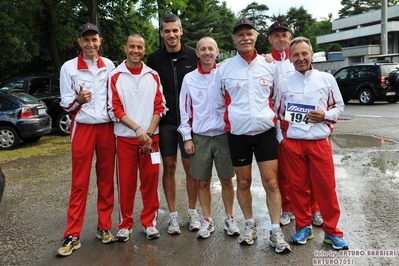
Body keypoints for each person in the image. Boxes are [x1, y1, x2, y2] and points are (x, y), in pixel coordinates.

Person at [214, 18, 291, 254]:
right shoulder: (224, 68)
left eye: (249, 34)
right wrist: (232, 121)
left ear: (256, 37)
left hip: (265, 133)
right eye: (240, 35)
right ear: (234, 40)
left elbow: (278, 98)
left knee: (271, 183)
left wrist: (277, 128)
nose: (245, 38)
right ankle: (249, 225)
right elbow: (219, 102)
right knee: (244, 182)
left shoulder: (270, 66)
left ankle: (275, 231)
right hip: (238, 136)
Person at [274, 36, 348, 250]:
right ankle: (303, 227)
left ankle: (332, 232)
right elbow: (278, 114)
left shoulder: (326, 79)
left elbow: (340, 107)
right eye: (295, 54)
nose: (300, 58)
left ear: (311, 54)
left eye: (304, 53)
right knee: (298, 188)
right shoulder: (284, 83)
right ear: (289, 57)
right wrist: (282, 140)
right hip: (294, 144)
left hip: (318, 142)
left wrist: (324, 114)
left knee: (326, 188)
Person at [57, 22, 116, 256]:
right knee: (79, 183)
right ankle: (72, 233)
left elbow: (115, 97)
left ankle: (104, 226)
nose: (90, 44)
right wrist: (78, 100)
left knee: (106, 180)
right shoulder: (69, 67)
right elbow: (64, 103)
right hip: (82, 128)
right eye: (86, 40)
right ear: (80, 42)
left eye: (94, 39)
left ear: (100, 41)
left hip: (106, 128)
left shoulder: (109, 65)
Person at [178, 37, 240, 239]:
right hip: (200, 137)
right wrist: (187, 138)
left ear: (217, 51)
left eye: (210, 49)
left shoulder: (224, 74)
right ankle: (207, 220)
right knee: (202, 182)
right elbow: (185, 111)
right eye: (202, 49)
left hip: (223, 135)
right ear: (197, 53)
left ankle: (230, 218)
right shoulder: (189, 79)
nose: (207, 52)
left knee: (226, 180)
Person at [108, 34, 168, 241]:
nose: (136, 50)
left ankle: (149, 223)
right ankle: (125, 224)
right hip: (125, 139)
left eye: (140, 47)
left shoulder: (153, 75)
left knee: (150, 183)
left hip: (152, 140)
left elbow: (160, 106)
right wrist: (137, 129)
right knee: (126, 183)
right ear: (125, 48)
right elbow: (114, 109)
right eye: (132, 46)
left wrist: (149, 132)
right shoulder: (115, 75)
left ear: (144, 50)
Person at [146, 13, 201, 234]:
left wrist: (267, 59)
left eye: (174, 30)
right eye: (166, 31)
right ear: (161, 33)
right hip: (166, 123)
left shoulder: (193, 55)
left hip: (189, 124)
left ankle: (192, 212)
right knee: (169, 168)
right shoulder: (154, 59)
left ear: (181, 31)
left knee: (191, 170)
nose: (171, 34)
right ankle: (173, 216)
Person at [267, 21, 323, 227]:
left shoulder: (300, 60)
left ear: (290, 38)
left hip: (307, 124)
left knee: (309, 171)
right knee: (283, 171)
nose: (280, 39)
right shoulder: (265, 63)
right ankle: (288, 208)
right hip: (280, 123)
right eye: (276, 36)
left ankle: (314, 208)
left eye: (284, 35)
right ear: (270, 39)